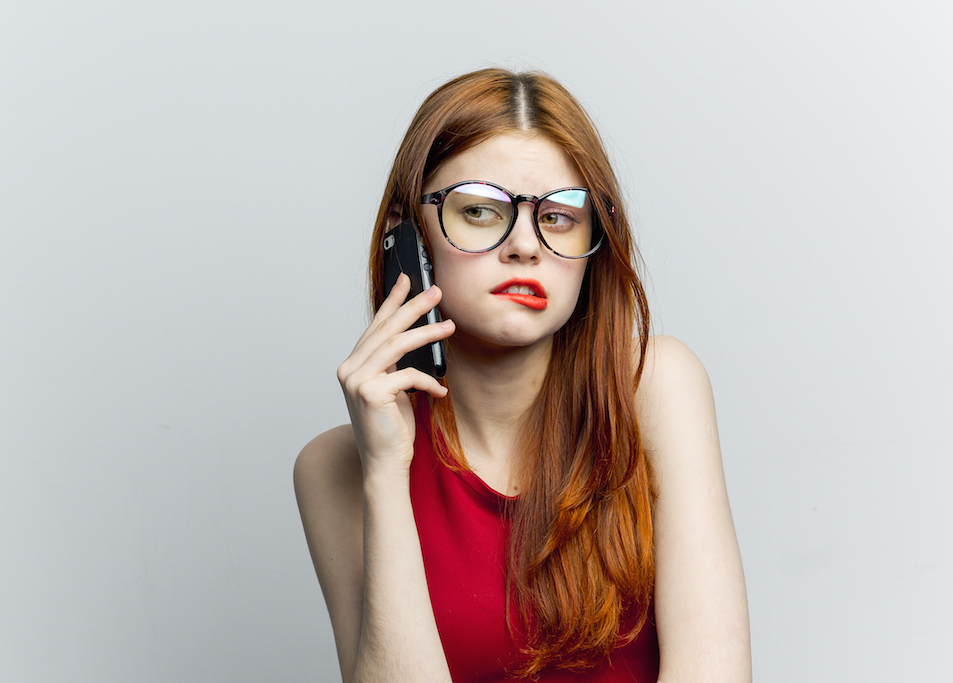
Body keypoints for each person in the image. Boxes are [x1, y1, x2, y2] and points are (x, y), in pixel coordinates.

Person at [294, 69, 751, 683]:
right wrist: (385, 474)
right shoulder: (335, 469)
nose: (526, 246)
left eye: (559, 216)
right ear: (410, 238)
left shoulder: (656, 386)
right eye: (481, 211)